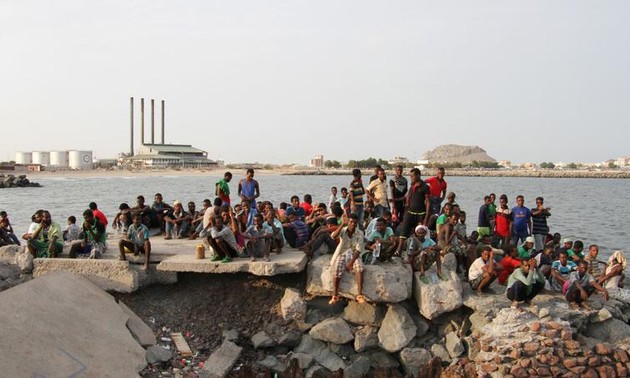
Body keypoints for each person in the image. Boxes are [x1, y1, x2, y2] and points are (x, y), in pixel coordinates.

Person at [328, 214, 366, 305]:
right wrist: (342, 224)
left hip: (354, 254)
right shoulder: (343, 230)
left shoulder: (360, 233)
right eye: (351, 222)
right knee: (337, 268)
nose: (353, 224)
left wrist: (351, 263)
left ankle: (359, 295)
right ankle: (335, 296)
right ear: (348, 222)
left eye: (355, 222)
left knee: (359, 267)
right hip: (342, 253)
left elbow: (358, 250)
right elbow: (333, 236)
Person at [395, 168, 430, 255]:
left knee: (420, 233)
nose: (411, 178)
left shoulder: (425, 187)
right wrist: (405, 214)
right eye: (410, 176)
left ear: (418, 175)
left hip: (421, 214)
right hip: (410, 212)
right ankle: (399, 250)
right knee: (404, 230)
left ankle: (419, 251)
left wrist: (426, 217)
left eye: (412, 176)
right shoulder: (412, 187)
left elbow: (427, 202)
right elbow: (408, 201)